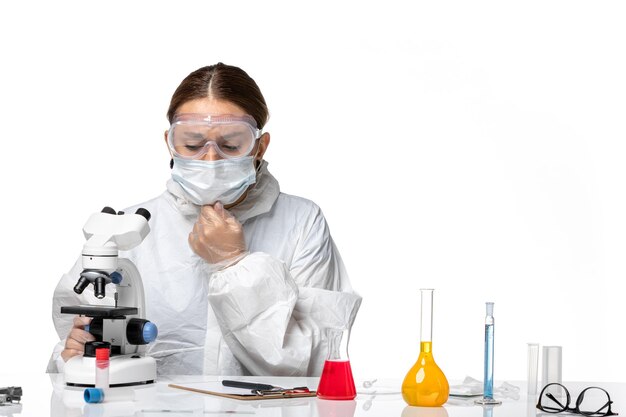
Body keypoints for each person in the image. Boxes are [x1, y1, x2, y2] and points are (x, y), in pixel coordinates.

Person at [48, 63, 361, 376]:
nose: (211, 159)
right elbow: (74, 349)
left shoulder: (301, 223)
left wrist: (234, 263)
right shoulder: (128, 229)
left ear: (259, 148)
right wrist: (74, 355)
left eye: (231, 144)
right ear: (170, 144)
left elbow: (317, 360)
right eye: (193, 144)